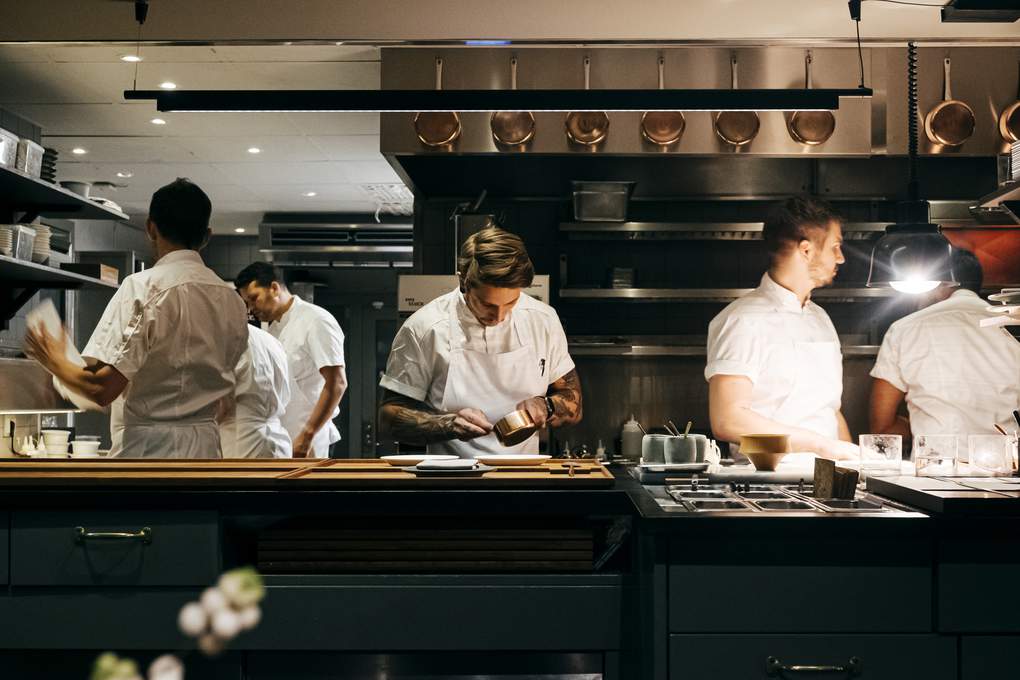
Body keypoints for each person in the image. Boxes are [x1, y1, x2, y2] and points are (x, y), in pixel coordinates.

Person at [24, 178, 248, 458]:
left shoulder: (143, 287)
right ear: (207, 236)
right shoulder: (233, 301)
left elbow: (101, 389)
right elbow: (226, 398)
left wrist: (54, 359)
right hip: (207, 452)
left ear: (151, 228)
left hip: (149, 454)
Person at [377, 226, 582, 457]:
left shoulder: (543, 320)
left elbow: (574, 404)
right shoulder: (424, 328)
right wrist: (448, 424)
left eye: (511, 303)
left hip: (523, 471)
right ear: (463, 281)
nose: (499, 316)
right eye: (487, 305)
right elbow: (388, 419)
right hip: (450, 473)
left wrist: (546, 406)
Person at [706, 196, 857, 460]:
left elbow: (830, 411)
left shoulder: (820, 318)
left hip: (827, 474)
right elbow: (728, 419)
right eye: (835, 247)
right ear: (806, 250)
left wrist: (854, 466)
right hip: (765, 475)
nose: (841, 258)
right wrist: (820, 446)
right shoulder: (742, 319)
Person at [870, 248, 1020, 448]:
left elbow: (882, 427)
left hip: (935, 462)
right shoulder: (1013, 326)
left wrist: (918, 427)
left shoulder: (904, 329)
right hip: (1006, 462)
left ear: (940, 284)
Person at [234, 262, 347, 458]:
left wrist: (307, 435)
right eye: (247, 303)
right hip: (280, 438)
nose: (251, 308)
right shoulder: (270, 330)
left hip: (309, 440)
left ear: (274, 288)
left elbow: (337, 383)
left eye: (253, 299)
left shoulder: (316, 320)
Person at [220, 323, 293, 458]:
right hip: (277, 440)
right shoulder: (268, 339)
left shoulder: (224, 340)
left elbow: (219, 407)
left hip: (240, 442)